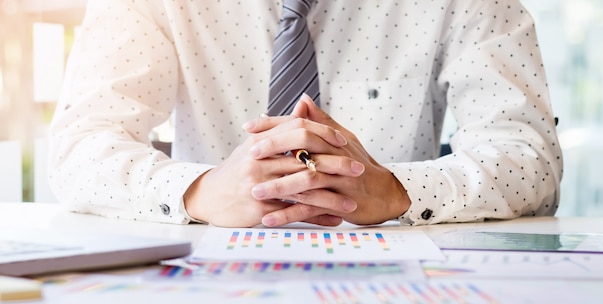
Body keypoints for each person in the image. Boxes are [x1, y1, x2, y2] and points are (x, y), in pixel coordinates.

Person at [48, 0, 563, 228]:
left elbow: (530, 160)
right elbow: (78, 149)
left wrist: (397, 190)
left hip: (399, 292)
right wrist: (202, 191)